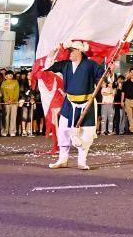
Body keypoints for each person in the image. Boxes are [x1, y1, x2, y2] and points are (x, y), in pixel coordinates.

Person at [46, 40, 110, 170]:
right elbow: (48, 66)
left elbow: (103, 77)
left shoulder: (90, 64)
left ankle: (82, 161)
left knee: (85, 133)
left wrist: (110, 71)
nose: (68, 53)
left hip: (87, 103)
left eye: (71, 51)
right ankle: (62, 160)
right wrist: (53, 51)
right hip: (69, 104)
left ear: (79, 51)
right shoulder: (65, 65)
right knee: (63, 131)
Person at [1, 71, 20, 137]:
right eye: (9, 74)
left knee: (13, 117)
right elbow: (3, 92)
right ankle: (5, 131)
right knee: (6, 117)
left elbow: (17, 92)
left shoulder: (15, 82)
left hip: (14, 102)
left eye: (11, 74)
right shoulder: (3, 83)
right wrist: (7, 100)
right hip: (6, 102)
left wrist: (13, 99)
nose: (10, 75)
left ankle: (12, 131)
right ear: (6, 76)